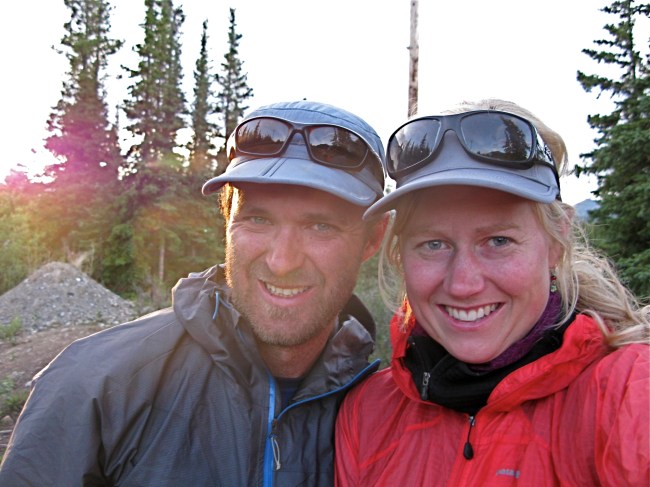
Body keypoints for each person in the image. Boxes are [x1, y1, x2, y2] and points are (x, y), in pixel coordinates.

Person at [0, 100, 388, 486]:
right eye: (257, 219)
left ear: (373, 238)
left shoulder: (392, 422)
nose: (282, 261)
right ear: (227, 217)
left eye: (321, 227)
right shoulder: (94, 389)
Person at [335, 99, 650, 486]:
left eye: (499, 241)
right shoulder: (368, 413)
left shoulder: (628, 394)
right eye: (434, 244)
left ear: (557, 241)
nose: (463, 284)